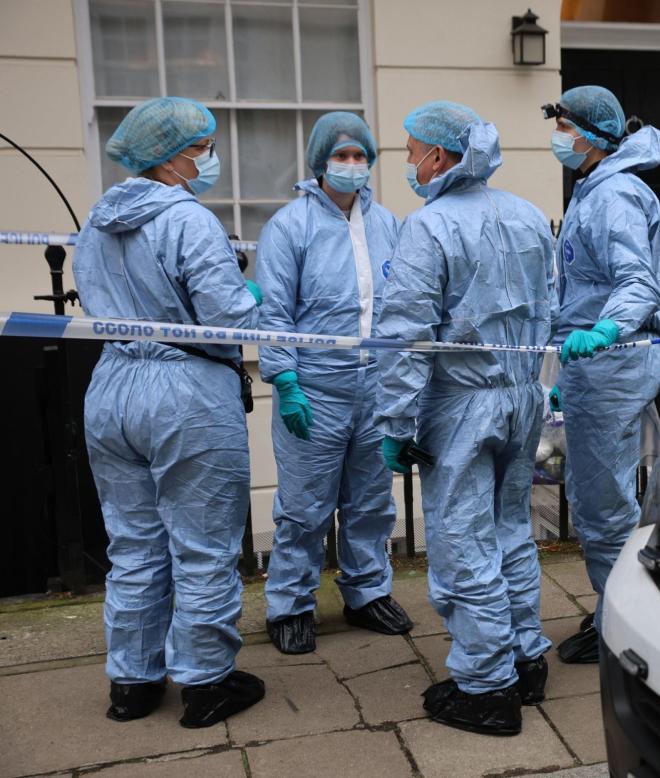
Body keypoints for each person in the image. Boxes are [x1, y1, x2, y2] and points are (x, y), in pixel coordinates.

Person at [73, 96, 266, 727]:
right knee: (204, 543)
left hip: (111, 387)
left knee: (132, 542)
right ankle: (207, 684)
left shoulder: (97, 220)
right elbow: (227, 316)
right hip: (186, 390)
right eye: (202, 146)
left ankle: (131, 682)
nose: (209, 157)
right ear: (172, 157)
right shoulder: (190, 220)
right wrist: (251, 295)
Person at [374, 101, 555, 736]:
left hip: (460, 405)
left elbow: (405, 335)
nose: (407, 163)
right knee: (510, 528)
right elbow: (549, 310)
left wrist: (395, 423)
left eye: (411, 150)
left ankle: (486, 688)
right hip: (521, 396)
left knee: (463, 540)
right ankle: (526, 655)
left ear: (441, 157)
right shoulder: (530, 215)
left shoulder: (428, 227)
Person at [258, 112, 410, 654]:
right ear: (320, 161)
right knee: (304, 506)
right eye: (341, 156)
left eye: (360, 156)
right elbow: (274, 312)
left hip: (375, 385)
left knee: (371, 501)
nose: (351, 166)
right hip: (315, 388)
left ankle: (367, 592)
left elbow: (401, 306)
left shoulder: (388, 224)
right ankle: (291, 604)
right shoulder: (289, 227)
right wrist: (285, 379)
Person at [542, 86, 660, 664]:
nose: (558, 135)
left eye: (563, 124)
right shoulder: (595, 188)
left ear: (592, 135)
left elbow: (637, 284)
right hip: (595, 366)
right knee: (600, 498)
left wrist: (604, 331)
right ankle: (614, 612)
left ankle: (621, 625)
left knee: (605, 506)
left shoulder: (613, 194)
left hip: (610, 362)